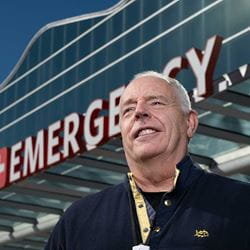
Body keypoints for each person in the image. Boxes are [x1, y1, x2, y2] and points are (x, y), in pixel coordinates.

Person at [45, 71, 250, 250]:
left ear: (189, 123)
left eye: (156, 102)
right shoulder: (77, 220)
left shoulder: (242, 203)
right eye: (128, 109)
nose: (139, 112)